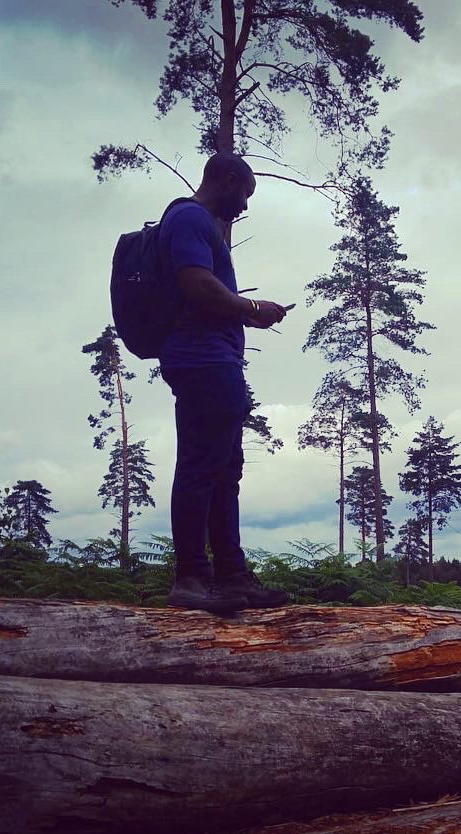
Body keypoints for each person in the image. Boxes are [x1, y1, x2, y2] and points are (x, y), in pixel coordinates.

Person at [159, 153, 290, 614]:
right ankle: (192, 578)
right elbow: (196, 283)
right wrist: (252, 309)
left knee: (224, 469)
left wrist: (251, 318)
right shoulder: (192, 218)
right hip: (204, 364)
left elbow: (205, 299)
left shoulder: (195, 222)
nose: (245, 206)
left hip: (213, 361)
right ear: (229, 180)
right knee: (201, 466)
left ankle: (232, 576)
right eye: (246, 194)